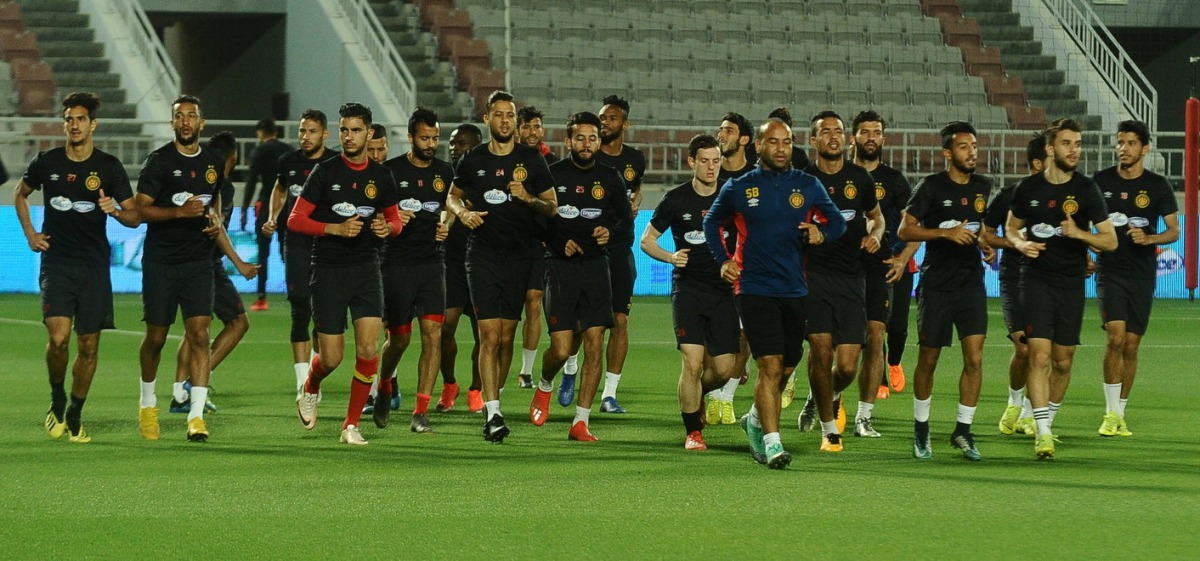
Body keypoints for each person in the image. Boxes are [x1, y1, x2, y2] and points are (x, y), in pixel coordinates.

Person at [703, 117, 846, 469]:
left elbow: (838, 222)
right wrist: (723, 260)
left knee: (787, 363)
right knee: (769, 364)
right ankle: (772, 443)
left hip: (795, 288)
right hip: (753, 286)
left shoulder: (807, 185)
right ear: (759, 146)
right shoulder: (739, 187)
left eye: (786, 142)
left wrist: (822, 233)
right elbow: (711, 222)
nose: (781, 149)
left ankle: (754, 418)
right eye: (773, 141)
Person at [15, 92, 139, 443]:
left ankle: (75, 412)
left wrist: (114, 210)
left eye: (81, 119)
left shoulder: (109, 167)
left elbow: (135, 217)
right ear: (64, 124)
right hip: (57, 263)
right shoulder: (47, 162)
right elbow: (20, 194)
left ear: (92, 125)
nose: (74, 125)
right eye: (69, 119)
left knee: (88, 347)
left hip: (94, 268)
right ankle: (56, 398)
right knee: (58, 339)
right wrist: (30, 234)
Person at [134, 94, 257, 442]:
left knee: (200, 335)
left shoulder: (213, 162)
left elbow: (213, 207)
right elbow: (141, 210)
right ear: (172, 123)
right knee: (156, 339)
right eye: (179, 116)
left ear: (201, 123)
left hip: (199, 262)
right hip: (161, 261)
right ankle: (147, 403)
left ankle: (196, 416)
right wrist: (178, 212)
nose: (185, 121)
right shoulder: (159, 161)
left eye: (191, 116)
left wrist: (235, 256)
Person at [288, 102, 405, 446]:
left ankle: (350, 424)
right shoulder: (325, 172)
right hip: (328, 270)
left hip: (366, 268)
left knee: (369, 350)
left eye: (356, 130)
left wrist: (388, 229)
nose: (349, 136)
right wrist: (334, 229)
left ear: (369, 133)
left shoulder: (381, 176)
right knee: (332, 358)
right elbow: (295, 219)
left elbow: (395, 220)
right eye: (344, 130)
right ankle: (311, 385)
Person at [446, 90, 557, 443]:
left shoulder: (531, 159)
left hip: (520, 258)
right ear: (487, 119)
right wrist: (462, 213)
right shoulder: (473, 159)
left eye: (510, 115)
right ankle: (492, 413)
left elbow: (552, 206)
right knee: (489, 335)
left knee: (507, 337)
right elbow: (452, 196)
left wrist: (528, 197)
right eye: (499, 115)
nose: (505, 121)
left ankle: (496, 398)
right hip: (481, 256)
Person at [1006, 118, 1117, 459]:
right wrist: (1020, 244)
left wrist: (1080, 234)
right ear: (1050, 148)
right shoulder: (1027, 189)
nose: (1074, 150)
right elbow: (1010, 228)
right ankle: (1043, 432)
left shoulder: (1086, 189)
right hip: (1035, 280)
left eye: (1078, 144)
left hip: (1071, 283)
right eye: (1067, 143)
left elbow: (1110, 240)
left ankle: (1047, 421)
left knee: (1063, 361)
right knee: (1039, 355)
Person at [528, 111, 630, 441]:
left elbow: (625, 223)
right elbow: (537, 221)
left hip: (597, 267)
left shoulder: (611, 178)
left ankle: (581, 421)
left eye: (592, 138)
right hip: (559, 267)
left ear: (599, 142)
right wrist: (559, 242)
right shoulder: (552, 175)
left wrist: (609, 233)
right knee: (561, 350)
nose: (586, 144)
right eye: (580, 138)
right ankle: (545, 383)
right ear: (568, 141)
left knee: (595, 343)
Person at [896, 121, 995, 461]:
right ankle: (921, 429)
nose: (972, 152)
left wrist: (986, 245)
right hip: (937, 285)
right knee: (929, 358)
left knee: (975, 358)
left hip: (971, 284)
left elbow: (979, 228)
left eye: (975, 146)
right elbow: (905, 230)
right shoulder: (931, 187)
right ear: (948, 153)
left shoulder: (983, 186)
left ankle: (963, 430)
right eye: (964, 147)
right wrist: (944, 234)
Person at [641, 134, 740, 450]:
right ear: (691, 162)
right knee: (693, 363)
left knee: (723, 370)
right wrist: (671, 257)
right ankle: (693, 432)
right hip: (688, 289)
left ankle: (696, 395)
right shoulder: (676, 199)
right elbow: (646, 241)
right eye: (705, 161)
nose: (711, 167)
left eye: (716, 161)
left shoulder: (731, 196)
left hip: (723, 292)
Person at [796, 111, 883, 453]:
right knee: (820, 351)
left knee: (846, 367)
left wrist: (875, 235)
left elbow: (877, 218)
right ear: (813, 140)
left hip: (852, 279)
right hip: (812, 277)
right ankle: (830, 431)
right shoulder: (802, 180)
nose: (833, 136)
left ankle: (822, 395)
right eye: (825, 131)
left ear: (846, 140)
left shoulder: (859, 178)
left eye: (838, 131)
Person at [1092, 120, 1179, 437]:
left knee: (1130, 345)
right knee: (1115, 338)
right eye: (1120, 142)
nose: (1123, 148)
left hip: (1142, 274)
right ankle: (1109, 414)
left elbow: (1174, 231)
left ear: (1145, 149)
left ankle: (1120, 413)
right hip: (1109, 270)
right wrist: (1087, 246)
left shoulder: (1157, 185)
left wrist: (1149, 238)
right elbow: (1080, 220)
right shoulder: (1100, 181)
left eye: (1130, 143)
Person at [374, 107, 456, 434]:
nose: (431, 144)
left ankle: (420, 412)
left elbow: (452, 206)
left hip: (432, 264)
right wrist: (392, 217)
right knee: (399, 340)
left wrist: (447, 224)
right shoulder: (390, 172)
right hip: (396, 263)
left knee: (433, 335)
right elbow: (373, 213)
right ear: (410, 137)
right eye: (425, 138)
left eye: (435, 138)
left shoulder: (445, 172)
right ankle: (384, 384)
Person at [169, 131, 250, 416]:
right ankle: (195, 382)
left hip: (185, 261)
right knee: (238, 322)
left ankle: (179, 394)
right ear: (234, 157)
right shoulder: (222, 186)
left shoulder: (197, 179)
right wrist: (239, 262)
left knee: (194, 329)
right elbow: (217, 228)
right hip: (207, 265)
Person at [263, 109, 337, 399]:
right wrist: (272, 217)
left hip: (327, 245)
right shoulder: (288, 161)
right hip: (295, 243)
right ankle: (301, 382)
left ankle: (315, 376)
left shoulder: (334, 163)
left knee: (323, 312)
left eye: (312, 131)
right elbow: (280, 189)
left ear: (325, 134)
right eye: (302, 131)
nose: (305, 137)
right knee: (299, 308)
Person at [583, 94, 646, 414]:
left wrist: (635, 201)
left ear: (625, 124)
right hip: (586, 250)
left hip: (621, 248)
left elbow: (636, 190)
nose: (605, 123)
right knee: (584, 323)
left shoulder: (635, 159)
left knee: (620, 320)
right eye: (602, 118)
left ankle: (609, 394)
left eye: (612, 118)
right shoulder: (588, 156)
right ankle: (570, 370)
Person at [850, 110, 911, 436]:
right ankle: (832, 400)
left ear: (883, 138)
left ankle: (866, 410)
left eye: (876, 132)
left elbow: (913, 225)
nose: (871, 137)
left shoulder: (895, 180)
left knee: (887, 331)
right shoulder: (839, 176)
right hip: (843, 267)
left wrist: (902, 259)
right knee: (845, 341)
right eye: (865, 132)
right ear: (854, 138)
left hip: (883, 265)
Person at [985, 135, 1046, 437]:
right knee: (1022, 347)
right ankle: (1014, 401)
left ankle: (1030, 414)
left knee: (1040, 348)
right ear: (1038, 163)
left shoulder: (1066, 197)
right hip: (1013, 278)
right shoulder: (1010, 195)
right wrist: (1015, 243)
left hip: (1047, 279)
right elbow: (986, 233)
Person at [705, 111, 755, 423]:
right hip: (712, 266)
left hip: (745, 269)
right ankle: (711, 393)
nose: (721, 134)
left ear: (745, 139)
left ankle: (726, 398)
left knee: (744, 334)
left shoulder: (756, 177)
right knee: (710, 336)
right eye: (720, 129)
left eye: (729, 130)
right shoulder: (710, 171)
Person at [439, 123, 484, 413]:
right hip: (451, 263)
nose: (455, 148)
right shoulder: (444, 176)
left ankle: (476, 389)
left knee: (484, 333)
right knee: (445, 328)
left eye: (462, 143)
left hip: (482, 262)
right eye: (453, 143)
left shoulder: (488, 176)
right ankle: (449, 383)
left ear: (476, 146)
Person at [515, 105, 555, 390]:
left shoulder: (553, 164)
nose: (532, 132)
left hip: (539, 245)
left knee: (533, 301)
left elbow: (556, 207)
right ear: (518, 130)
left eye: (536, 126)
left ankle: (526, 371)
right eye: (527, 126)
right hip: (507, 245)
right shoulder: (507, 159)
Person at [241, 117, 291, 311]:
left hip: (265, 207)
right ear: (276, 132)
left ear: (260, 132)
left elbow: (252, 181)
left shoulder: (259, 151)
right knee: (288, 251)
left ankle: (261, 297)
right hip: (287, 206)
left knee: (263, 253)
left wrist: (244, 208)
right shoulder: (288, 150)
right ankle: (295, 290)